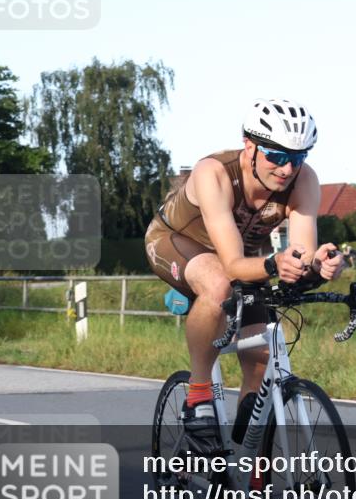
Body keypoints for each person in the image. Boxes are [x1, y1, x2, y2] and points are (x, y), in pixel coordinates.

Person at [144, 98, 344, 451]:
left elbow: (301, 252)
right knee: (219, 282)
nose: (286, 169)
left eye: (297, 158)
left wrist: (319, 265)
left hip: (241, 257)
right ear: (249, 145)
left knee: (262, 358)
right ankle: (199, 396)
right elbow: (234, 266)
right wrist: (272, 265)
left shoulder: (304, 182)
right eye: (276, 156)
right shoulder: (215, 173)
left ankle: (250, 468)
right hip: (178, 243)